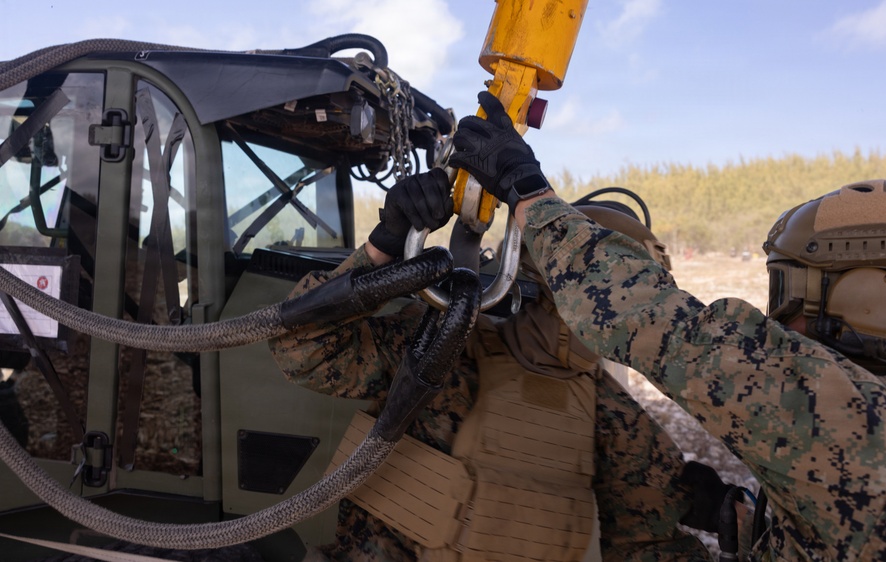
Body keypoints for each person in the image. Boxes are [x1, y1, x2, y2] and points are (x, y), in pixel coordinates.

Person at [446, 91, 886, 561]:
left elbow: (663, 325)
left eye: (793, 290)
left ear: (876, 298)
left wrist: (530, 196)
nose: (780, 316)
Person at [269, 168, 714, 561]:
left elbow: (650, 547)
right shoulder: (444, 347)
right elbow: (303, 349)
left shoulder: (616, 419)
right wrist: (382, 247)